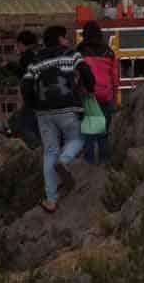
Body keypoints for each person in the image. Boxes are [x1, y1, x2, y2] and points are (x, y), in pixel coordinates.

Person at [20, 25, 95, 213]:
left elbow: (25, 86)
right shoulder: (71, 54)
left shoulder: (36, 61)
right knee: (78, 138)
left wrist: (32, 105)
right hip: (67, 107)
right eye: (66, 37)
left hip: (43, 112)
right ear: (60, 39)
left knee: (49, 151)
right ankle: (65, 159)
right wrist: (89, 89)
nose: (68, 40)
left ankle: (51, 200)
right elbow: (86, 73)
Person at [77, 20, 119, 164]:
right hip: (106, 95)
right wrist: (114, 97)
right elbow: (115, 77)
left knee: (89, 131)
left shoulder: (79, 51)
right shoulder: (109, 52)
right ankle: (104, 163)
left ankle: (88, 163)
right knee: (103, 132)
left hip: (88, 95)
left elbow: (75, 75)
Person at [7, 30, 40, 147]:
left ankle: (37, 148)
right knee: (33, 126)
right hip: (37, 98)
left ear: (21, 44)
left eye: (17, 44)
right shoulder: (36, 56)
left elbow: (23, 74)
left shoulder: (26, 57)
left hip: (31, 99)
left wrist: (8, 65)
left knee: (20, 125)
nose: (17, 47)